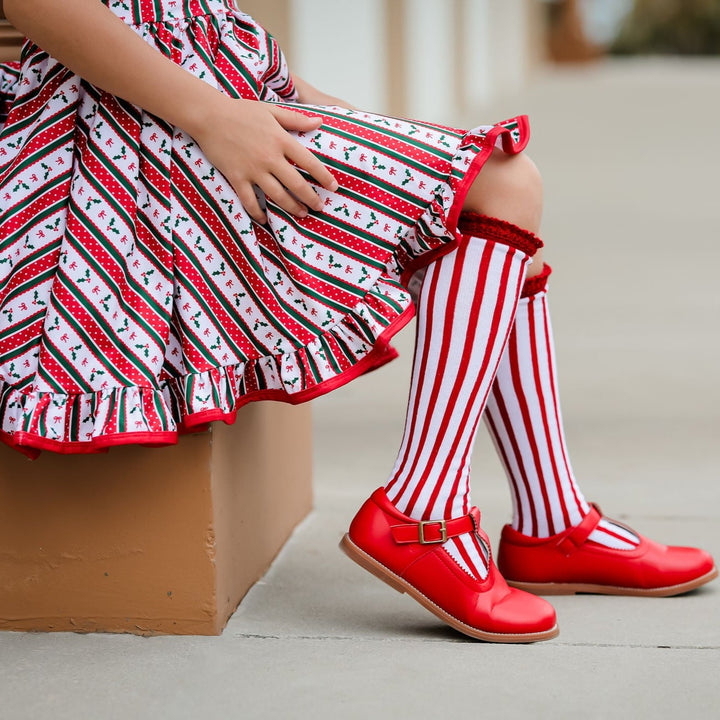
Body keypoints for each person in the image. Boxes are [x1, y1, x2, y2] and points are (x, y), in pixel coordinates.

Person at [0, 0, 715, 643]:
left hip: (209, 93)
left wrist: (304, 98)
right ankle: (424, 512)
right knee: (498, 187)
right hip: (113, 126)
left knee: (483, 199)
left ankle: (549, 521)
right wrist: (214, 116)